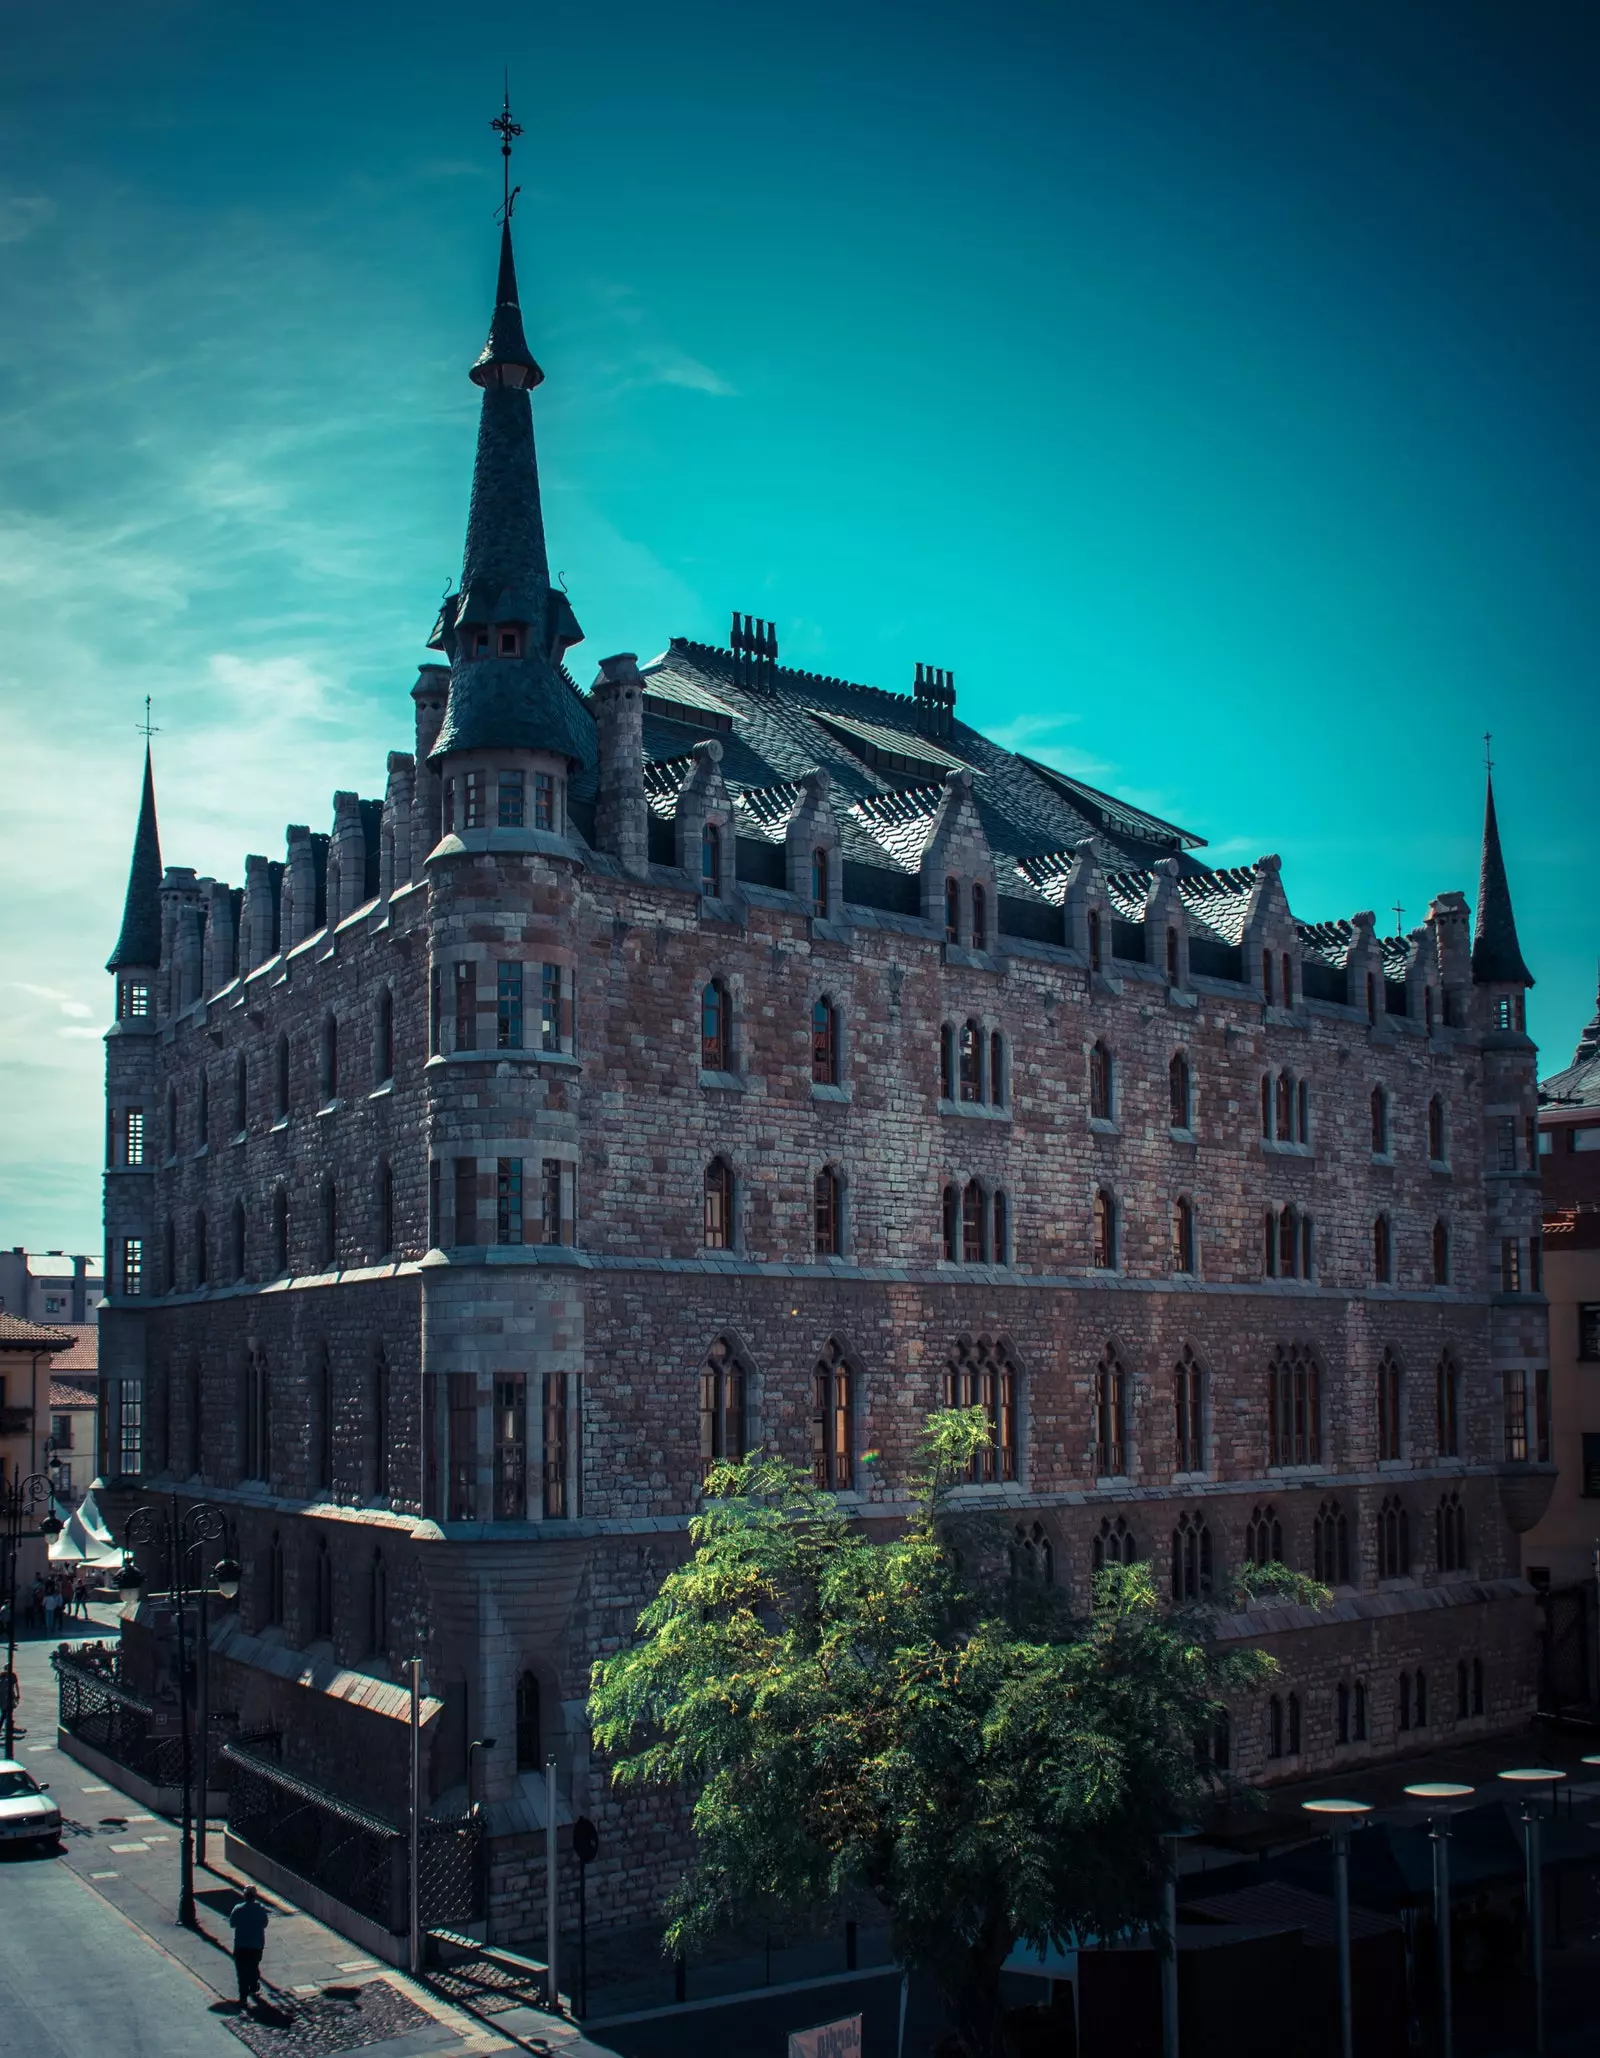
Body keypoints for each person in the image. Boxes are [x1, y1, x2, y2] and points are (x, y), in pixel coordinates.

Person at [228, 1886, 270, 2006]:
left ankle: (243, 1997)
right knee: (253, 1965)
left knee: (241, 1972)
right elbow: (265, 1923)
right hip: (256, 1944)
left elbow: (232, 1923)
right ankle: (253, 1984)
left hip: (241, 1945)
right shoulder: (261, 1909)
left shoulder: (238, 1909)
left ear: (244, 1896)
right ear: (255, 1896)